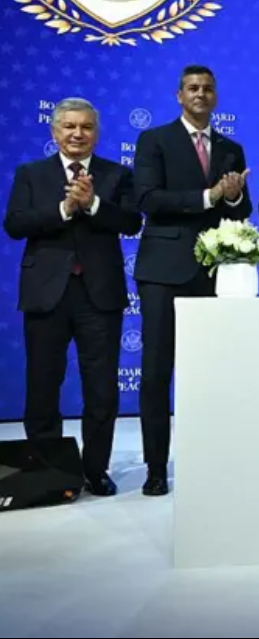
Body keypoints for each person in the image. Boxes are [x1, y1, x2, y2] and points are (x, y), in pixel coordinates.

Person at [3, 98, 142, 496]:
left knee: (101, 389)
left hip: (99, 296)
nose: (77, 134)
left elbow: (131, 221)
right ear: (54, 131)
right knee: (43, 385)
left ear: (96, 133)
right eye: (69, 126)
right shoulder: (31, 174)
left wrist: (93, 204)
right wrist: (64, 208)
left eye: (86, 127)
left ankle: (95, 470)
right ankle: (48, 472)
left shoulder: (117, 174)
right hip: (46, 294)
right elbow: (15, 224)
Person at [132, 65, 251, 496]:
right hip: (163, 272)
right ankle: (156, 467)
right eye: (193, 88)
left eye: (208, 89)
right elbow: (147, 199)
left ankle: (211, 462)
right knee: (156, 373)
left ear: (216, 96)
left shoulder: (231, 148)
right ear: (179, 95)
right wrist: (209, 196)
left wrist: (233, 196)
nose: (201, 94)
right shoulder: (154, 140)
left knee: (211, 374)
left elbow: (241, 210)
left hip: (215, 273)